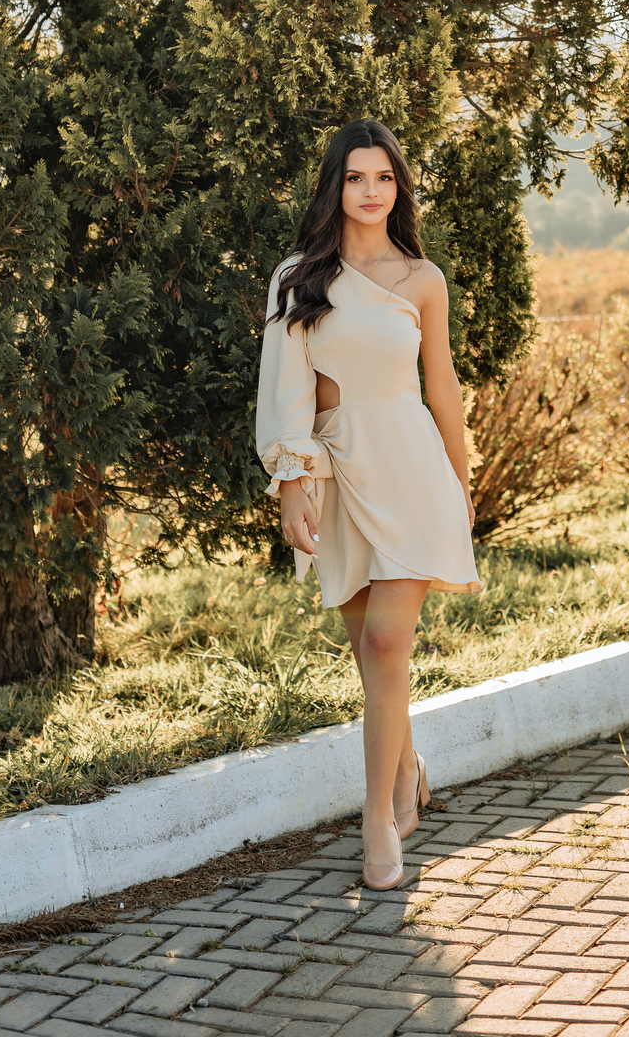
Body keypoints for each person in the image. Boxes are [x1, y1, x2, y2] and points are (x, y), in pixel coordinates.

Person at [256, 118, 480, 889]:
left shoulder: (423, 279)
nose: (371, 190)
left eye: (384, 177)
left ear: (398, 187)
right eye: (356, 177)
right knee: (367, 649)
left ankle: (379, 816)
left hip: (413, 468)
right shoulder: (298, 279)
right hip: (338, 475)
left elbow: (441, 388)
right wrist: (291, 485)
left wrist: (462, 483)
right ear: (335, 186)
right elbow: (286, 391)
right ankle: (407, 764)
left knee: (386, 643)